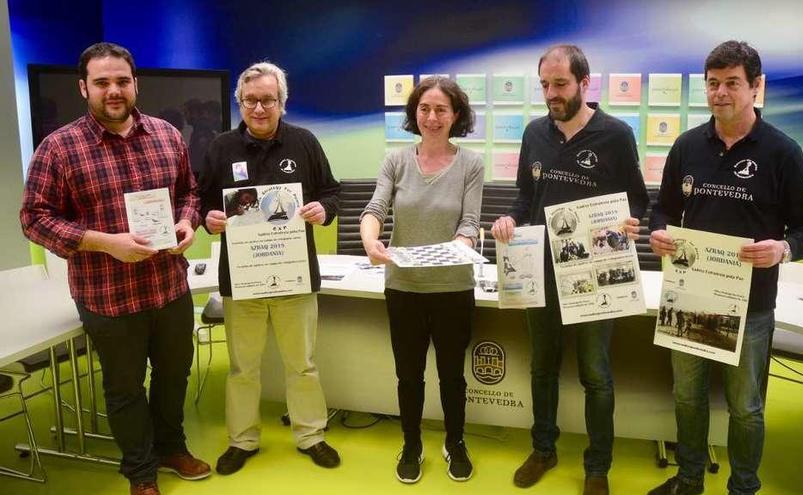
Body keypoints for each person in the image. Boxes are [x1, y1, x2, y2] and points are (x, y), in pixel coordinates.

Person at [20, 42, 210, 495]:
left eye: (122, 81)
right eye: (102, 82)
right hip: (108, 295)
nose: (113, 90)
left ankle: (171, 447)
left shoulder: (166, 135)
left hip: (168, 287)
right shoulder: (59, 148)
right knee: (125, 388)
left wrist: (187, 221)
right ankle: (140, 472)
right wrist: (105, 243)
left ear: (135, 84)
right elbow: (34, 218)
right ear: (84, 87)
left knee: (173, 374)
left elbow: (190, 192)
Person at [647, 40, 803, 495]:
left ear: (755, 87)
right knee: (687, 397)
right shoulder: (687, 146)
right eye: (712, 83)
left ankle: (743, 487)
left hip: (751, 304)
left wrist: (782, 249)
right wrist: (660, 233)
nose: (719, 93)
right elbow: (662, 210)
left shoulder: (783, 152)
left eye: (731, 83)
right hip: (690, 296)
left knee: (746, 407)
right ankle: (689, 480)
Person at [491, 44, 648, 495]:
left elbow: (637, 199)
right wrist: (509, 220)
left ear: (584, 82)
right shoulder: (534, 133)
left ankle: (597, 466)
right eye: (544, 85)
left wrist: (631, 220)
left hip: (595, 272)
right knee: (543, 366)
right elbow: (525, 198)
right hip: (539, 270)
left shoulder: (615, 135)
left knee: (595, 373)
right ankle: (544, 448)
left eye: (560, 84)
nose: (551, 93)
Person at [197, 62, 341, 475]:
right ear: (239, 102)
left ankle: (311, 435)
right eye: (251, 100)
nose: (259, 108)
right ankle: (242, 440)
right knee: (243, 367)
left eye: (268, 99)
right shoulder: (221, 147)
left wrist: (322, 209)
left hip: (294, 275)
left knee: (302, 364)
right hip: (242, 280)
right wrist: (209, 218)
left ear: (283, 102)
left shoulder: (305, 143)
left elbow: (332, 192)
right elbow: (201, 201)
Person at [359, 76, 483, 484]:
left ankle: (455, 442)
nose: (431, 117)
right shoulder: (396, 161)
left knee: (452, 374)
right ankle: (411, 444)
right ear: (414, 113)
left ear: (456, 115)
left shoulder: (471, 164)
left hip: (453, 287)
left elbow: (469, 223)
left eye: (441, 110)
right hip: (404, 287)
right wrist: (371, 240)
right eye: (424, 109)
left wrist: (459, 244)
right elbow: (375, 208)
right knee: (408, 375)